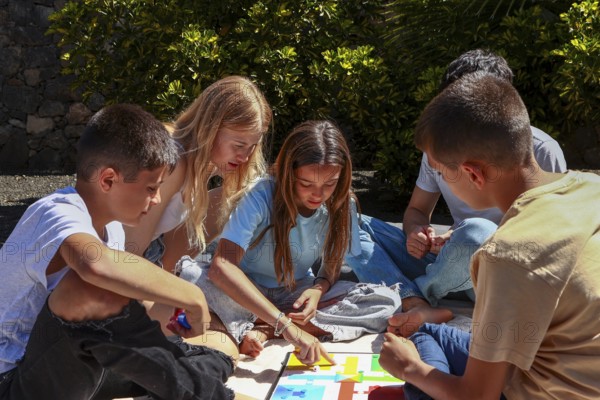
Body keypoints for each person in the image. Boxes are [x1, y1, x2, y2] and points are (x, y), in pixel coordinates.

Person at [379, 72, 600, 399]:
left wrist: (408, 368)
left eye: (441, 173)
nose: (441, 181)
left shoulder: (507, 253)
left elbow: (476, 396)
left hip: (545, 392)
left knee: (411, 365)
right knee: (425, 332)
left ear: (472, 173)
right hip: (570, 368)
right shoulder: (590, 188)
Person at [0, 104, 239, 399]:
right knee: (86, 289)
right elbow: (95, 269)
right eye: (151, 188)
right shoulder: (56, 212)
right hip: (13, 380)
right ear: (108, 180)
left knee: (214, 356)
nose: (157, 199)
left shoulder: (111, 229)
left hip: (74, 367)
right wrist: (193, 296)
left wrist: (182, 320)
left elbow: (129, 313)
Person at [345, 49, 568, 336]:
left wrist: (468, 236)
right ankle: (416, 300)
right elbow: (416, 211)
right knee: (345, 221)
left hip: (498, 275)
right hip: (447, 263)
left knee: (477, 233)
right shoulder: (439, 147)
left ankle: (416, 294)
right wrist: (418, 234)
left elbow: (550, 241)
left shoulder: (539, 151)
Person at [175, 120, 402, 365]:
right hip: (243, 292)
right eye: (306, 184)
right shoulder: (261, 195)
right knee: (190, 279)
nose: (318, 194)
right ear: (288, 173)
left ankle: (261, 329)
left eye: (330, 183)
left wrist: (318, 290)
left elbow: (331, 267)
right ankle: (276, 325)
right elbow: (222, 267)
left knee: (386, 301)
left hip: (293, 293)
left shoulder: (341, 203)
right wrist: (286, 325)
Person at [124, 75, 272, 272]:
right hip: (117, 259)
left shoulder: (201, 161)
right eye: (239, 145)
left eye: (253, 147)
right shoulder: (173, 159)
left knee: (238, 195)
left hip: (148, 256)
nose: (245, 156)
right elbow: (127, 252)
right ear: (210, 128)